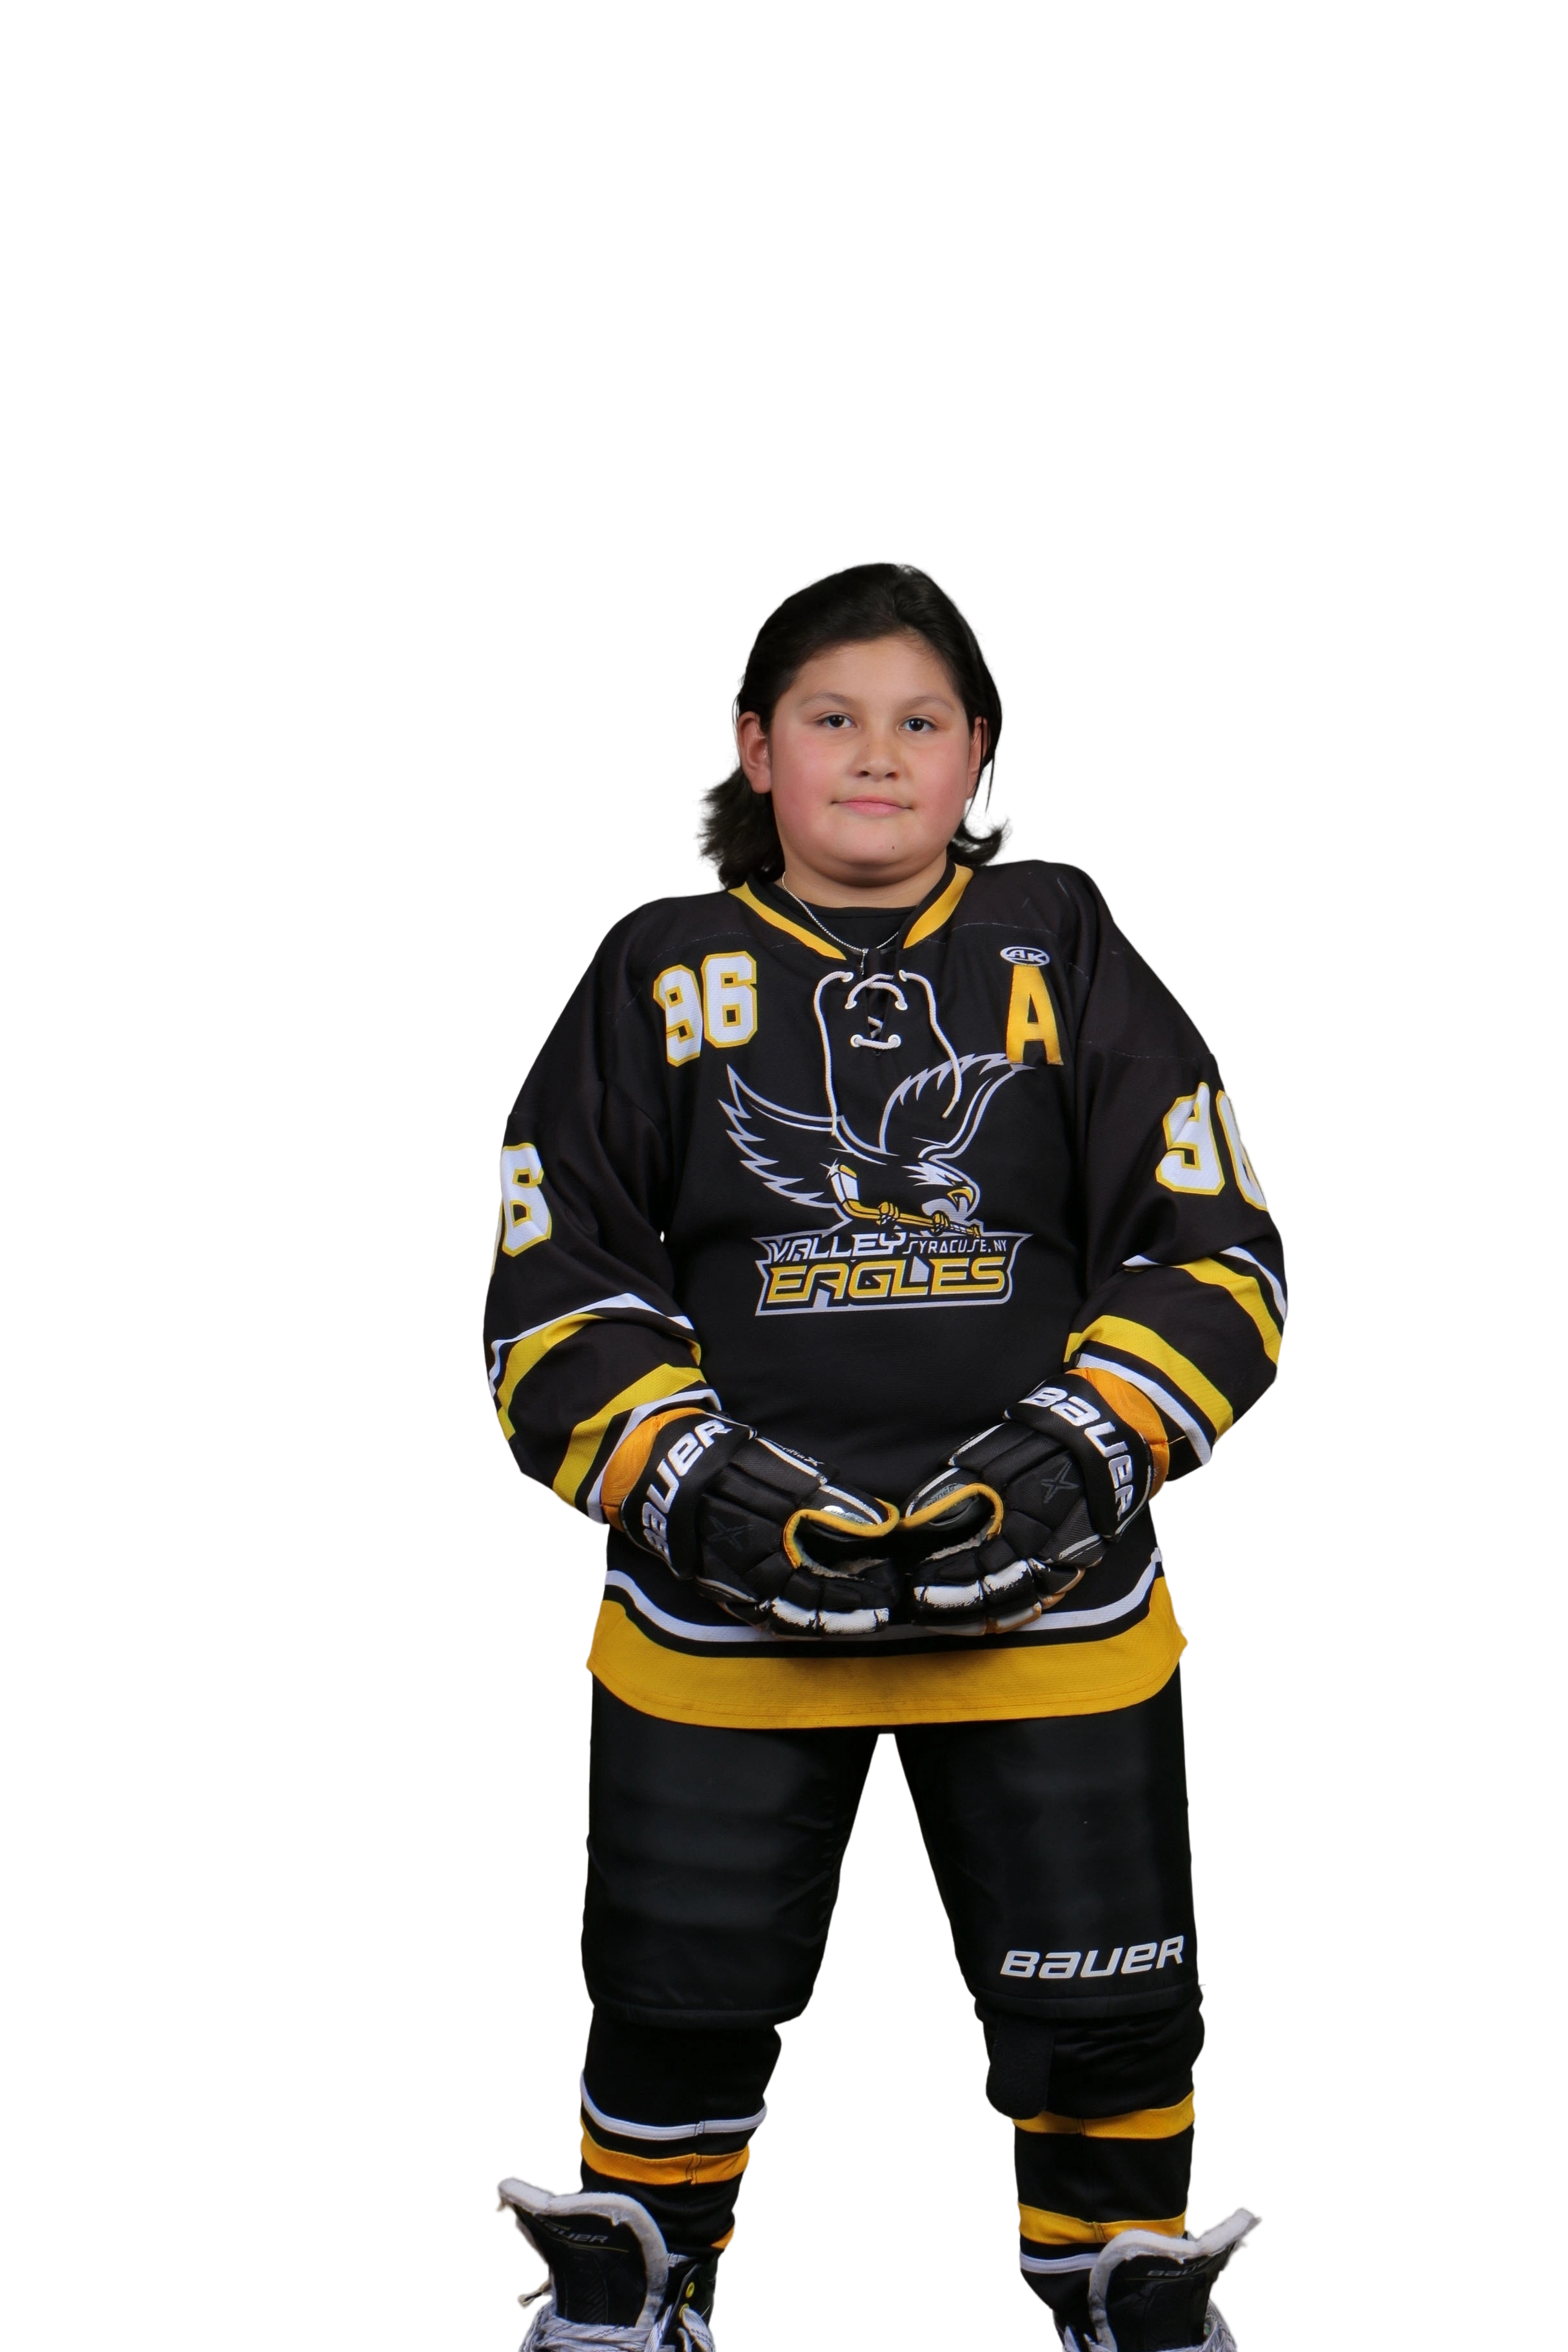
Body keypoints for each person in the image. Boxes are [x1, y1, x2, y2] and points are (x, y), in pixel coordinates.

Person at [483, 559, 1284, 2352]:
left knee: (1105, 2018)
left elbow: (1215, 1241)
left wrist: (1087, 1447)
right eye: (832, 717)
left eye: (922, 721)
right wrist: (688, 1476)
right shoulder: (654, 966)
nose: (877, 755)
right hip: (719, 1630)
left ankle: (1121, 2292)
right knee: (677, 2005)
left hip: (1053, 1622)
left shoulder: (1065, 937)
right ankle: (638, 2288)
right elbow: (552, 1280)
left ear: (977, 754)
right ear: (754, 748)